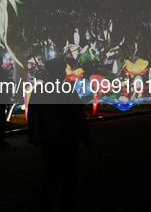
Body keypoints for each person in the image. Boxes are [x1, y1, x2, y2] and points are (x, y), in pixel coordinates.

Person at [28, 57, 92, 212]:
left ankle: (46, 202)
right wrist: (86, 137)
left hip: (48, 140)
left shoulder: (39, 91)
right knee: (69, 176)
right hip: (67, 140)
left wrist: (33, 134)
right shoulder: (68, 91)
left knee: (50, 172)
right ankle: (67, 203)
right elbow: (79, 116)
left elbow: (33, 116)